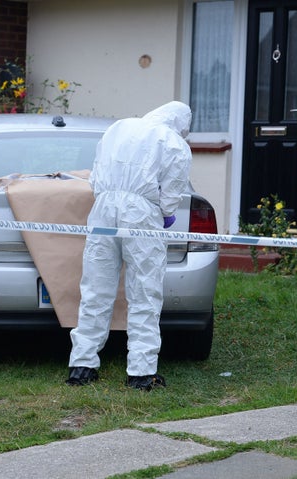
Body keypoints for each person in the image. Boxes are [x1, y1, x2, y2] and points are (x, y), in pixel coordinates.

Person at [65, 101, 192, 391]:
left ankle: (81, 366)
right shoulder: (173, 142)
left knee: (96, 288)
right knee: (144, 292)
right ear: (181, 125)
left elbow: (95, 178)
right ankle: (141, 372)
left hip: (103, 208)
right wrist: (164, 211)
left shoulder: (118, 128)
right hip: (142, 214)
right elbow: (172, 193)